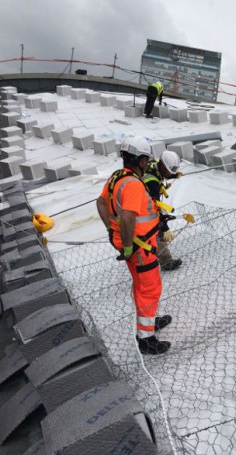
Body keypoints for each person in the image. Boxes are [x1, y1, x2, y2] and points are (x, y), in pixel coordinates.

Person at [96, 136, 172, 355]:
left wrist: (111, 229)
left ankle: (149, 321)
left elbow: (101, 203)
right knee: (150, 289)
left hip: (133, 245)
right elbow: (128, 217)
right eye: (146, 160)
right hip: (139, 249)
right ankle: (146, 338)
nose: (148, 164)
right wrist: (129, 246)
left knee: (143, 287)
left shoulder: (116, 177)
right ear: (140, 161)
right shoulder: (133, 185)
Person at [142, 150, 183, 271]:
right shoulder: (152, 183)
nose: (169, 173)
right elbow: (155, 207)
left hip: (147, 200)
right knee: (156, 231)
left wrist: (174, 175)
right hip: (143, 207)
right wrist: (164, 227)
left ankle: (159, 258)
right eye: (169, 171)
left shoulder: (155, 163)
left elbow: (164, 173)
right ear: (162, 165)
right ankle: (165, 262)